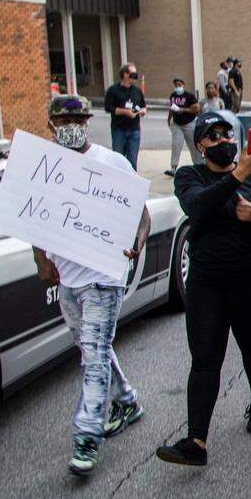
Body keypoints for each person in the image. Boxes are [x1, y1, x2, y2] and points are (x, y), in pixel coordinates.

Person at [156, 112, 251, 467]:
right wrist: (237, 175)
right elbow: (198, 207)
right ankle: (196, 441)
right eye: (212, 137)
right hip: (207, 284)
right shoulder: (190, 176)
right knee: (205, 358)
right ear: (200, 145)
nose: (222, 141)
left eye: (226, 134)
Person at [32, 95, 151, 476]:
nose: (69, 125)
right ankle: (126, 400)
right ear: (51, 125)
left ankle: (87, 435)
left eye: (76, 118)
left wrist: (138, 240)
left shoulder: (112, 163)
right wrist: (41, 258)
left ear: (86, 122)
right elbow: (33, 214)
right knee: (91, 347)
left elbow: (141, 214)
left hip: (103, 276)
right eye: (61, 119)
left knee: (93, 354)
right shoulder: (45, 166)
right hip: (68, 278)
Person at [104, 62, 146, 170]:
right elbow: (108, 108)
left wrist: (142, 111)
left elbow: (143, 106)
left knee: (132, 160)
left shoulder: (137, 91)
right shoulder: (113, 90)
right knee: (118, 159)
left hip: (134, 129)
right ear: (125, 74)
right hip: (119, 130)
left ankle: (132, 183)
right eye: (132, 73)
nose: (134, 76)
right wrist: (125, 112)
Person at [165, 77, 201, 176]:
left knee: (193, 146)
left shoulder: (189, 96)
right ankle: (173, 168)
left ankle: (198, 166)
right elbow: (171, 108)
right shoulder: (173, 96)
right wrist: (169, 119)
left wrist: (183, 110)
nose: (178, 87)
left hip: (189, 123)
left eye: (179, 85)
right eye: (176, 85)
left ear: (183, 85)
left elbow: (196, 109)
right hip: (177, 124)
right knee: (176, 145)